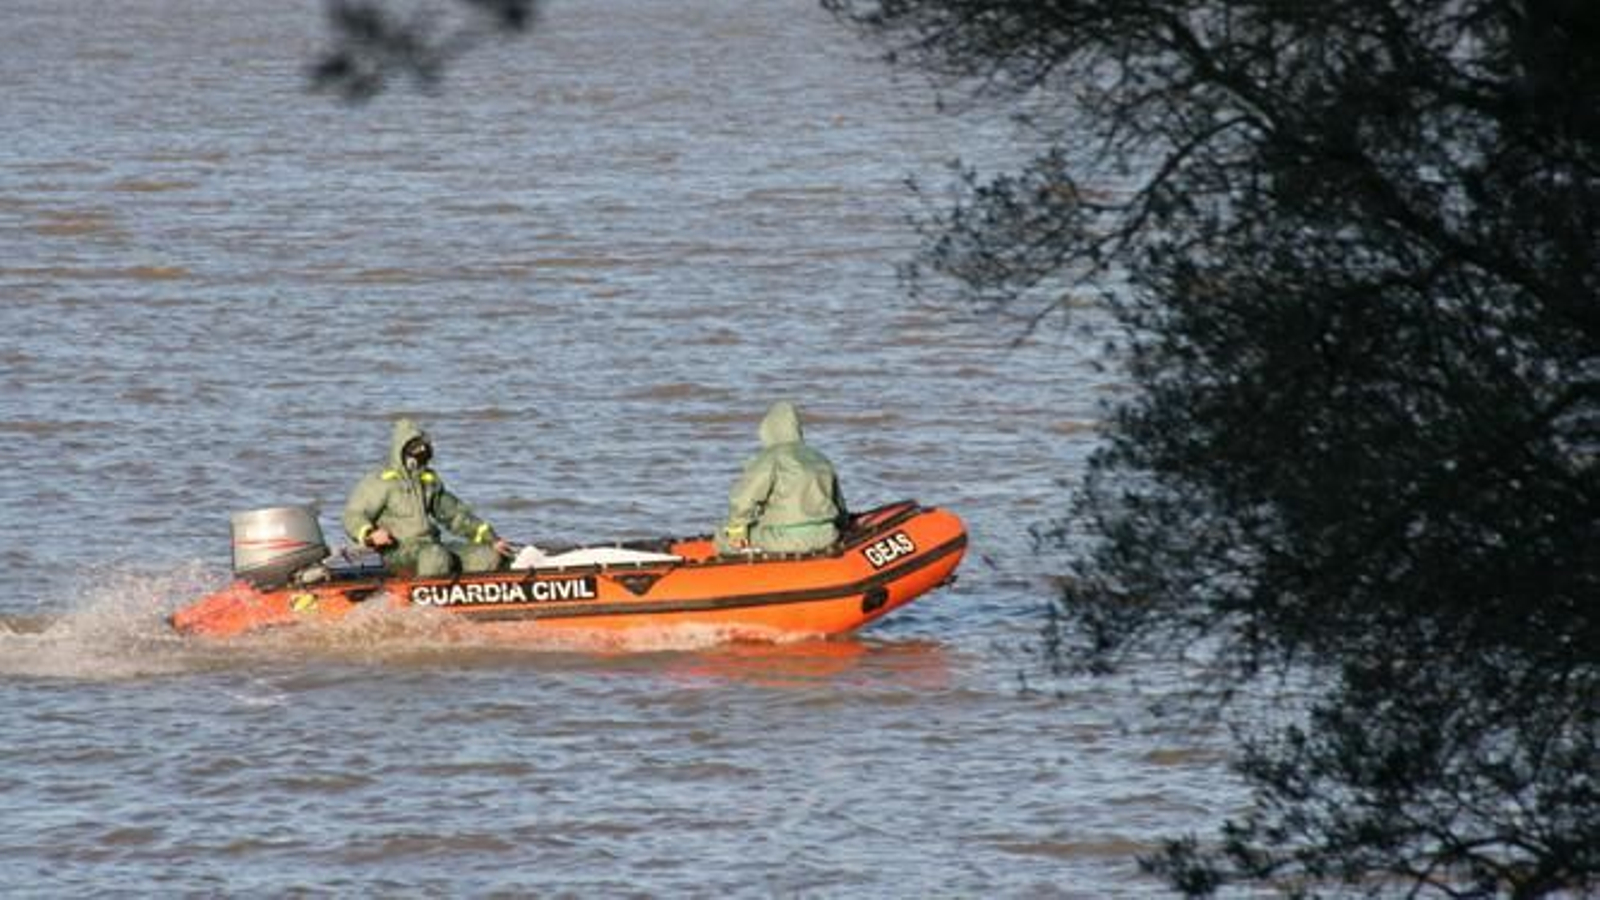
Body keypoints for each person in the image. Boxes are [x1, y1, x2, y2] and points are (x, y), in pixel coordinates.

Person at [342, 418, 513, 577]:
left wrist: (491, 539)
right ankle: (425, 605)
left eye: (423, 454)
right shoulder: (380, 481)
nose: (419, 460)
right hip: (397, 553)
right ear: (402, 452)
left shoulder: (428, 480)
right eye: (415, 453)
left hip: (431, 546)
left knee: (487, 556)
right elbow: (353, 515)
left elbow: (456, 516)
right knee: (436, 556)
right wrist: (370, 534)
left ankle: (474, 602)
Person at [715, 401, 847, 554]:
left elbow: (743, 500)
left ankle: (745, 567)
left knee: (722, 535)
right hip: (827, 535)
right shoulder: (820, 457)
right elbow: (840, 507)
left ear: (768, 430)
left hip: (785, 538)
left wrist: (736, 531)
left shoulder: (770, 457)